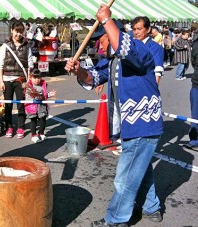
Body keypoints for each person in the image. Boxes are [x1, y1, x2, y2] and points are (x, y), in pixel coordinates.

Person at [65, 4, 163, 226]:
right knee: (141, 167)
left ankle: (117, 219)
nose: (99, 43)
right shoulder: (111, 61)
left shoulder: (140, 51)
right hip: (130, 126)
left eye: (103, 38)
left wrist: (107, 20)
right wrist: (78, 70)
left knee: (126, 177)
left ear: (113, 34)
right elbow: (92, 79)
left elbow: (126, 49)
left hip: (143, 123)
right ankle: (151, 207)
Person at [0, 21, 34, 139]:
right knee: (7, 105)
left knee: (21, 105)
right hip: (7, 80)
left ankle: (21, 127)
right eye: (16, 31)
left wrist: (28, 81)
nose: (18, 34)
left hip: (21, 80)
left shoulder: (27, 46)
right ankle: (9, 126)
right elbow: (0, 65)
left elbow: (30, 65)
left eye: (20, 32)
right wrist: (1, 81)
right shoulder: (5, 46)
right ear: (11, 31)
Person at [24, 69, 56, 143]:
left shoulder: (43, 85)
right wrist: (36, 96)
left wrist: (49, 94)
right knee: (33, 121)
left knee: (43, 120)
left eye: (38, 78)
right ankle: (34, 135)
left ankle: (41, 133)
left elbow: (44, 96)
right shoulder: (29, 86)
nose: (37, 80)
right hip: (32, 106)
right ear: (30, 78)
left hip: (41, 106)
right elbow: (30, 96)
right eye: (34, 78)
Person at [132, 16, 164, 85]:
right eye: (134, 29)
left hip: (146, 85)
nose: (136, 32)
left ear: (148, 29)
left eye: (139, 29)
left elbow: (158, 71)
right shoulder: (131, 45)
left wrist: (153, 90)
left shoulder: (155, 47)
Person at [184, 30, 198, 151]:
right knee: (195, 115)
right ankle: (194, 140)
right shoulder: (196, 44)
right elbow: (193, 62)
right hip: (197, 85)